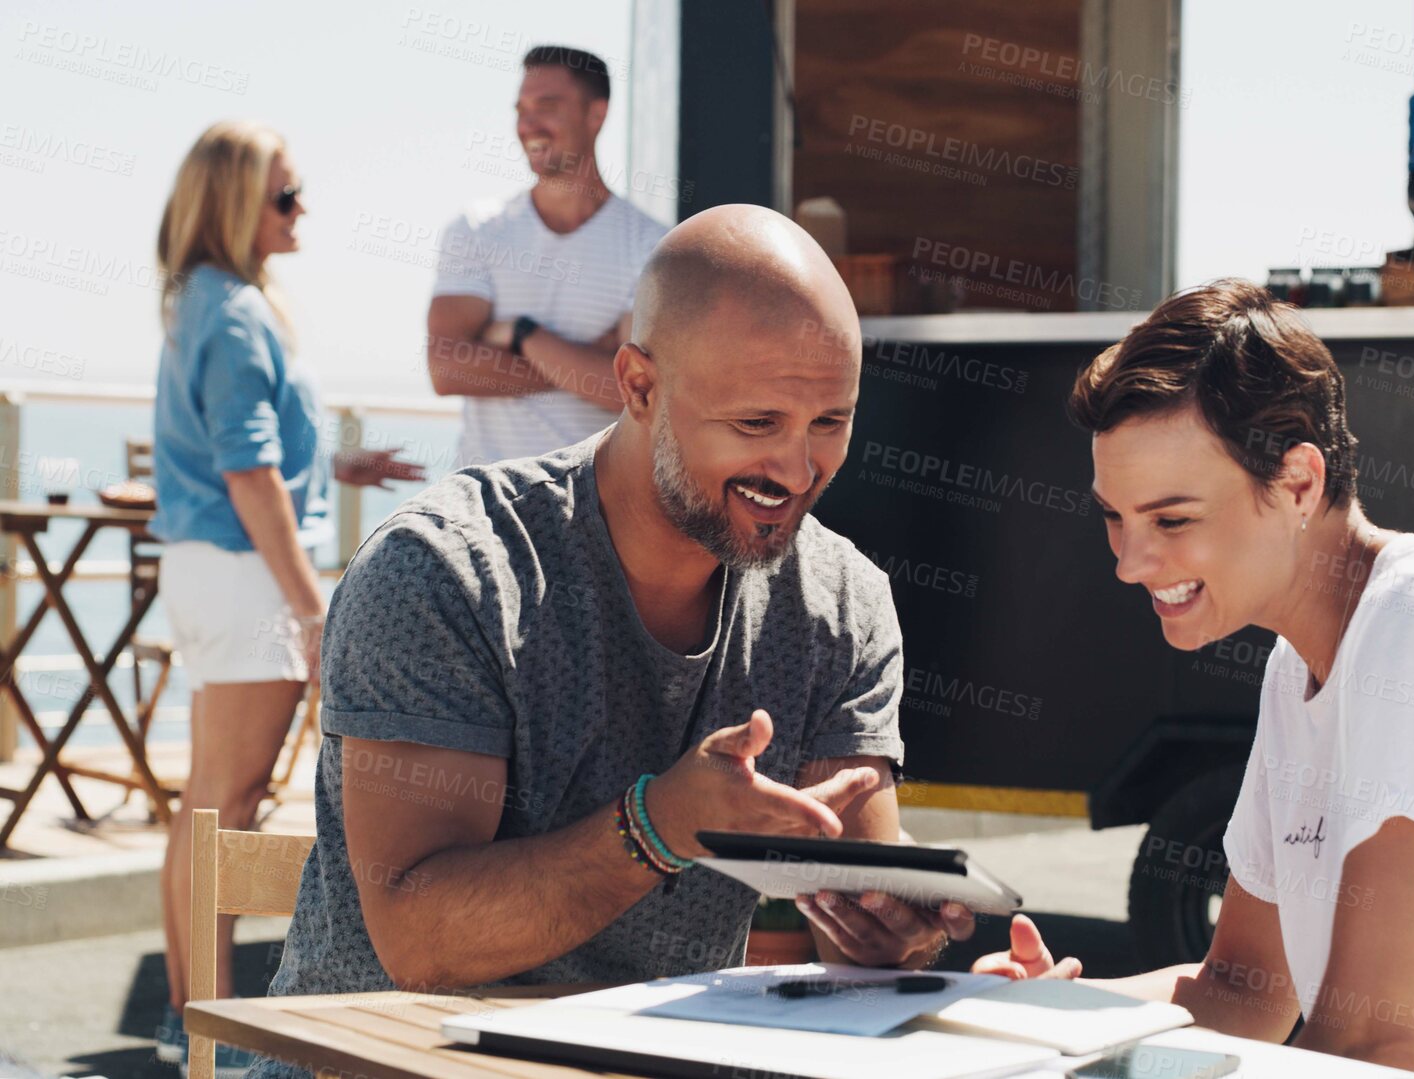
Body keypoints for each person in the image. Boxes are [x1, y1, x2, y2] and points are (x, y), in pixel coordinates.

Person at [247, 204, 971, 1077]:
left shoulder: (841, 602)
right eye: (756, 423)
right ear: (638, 385)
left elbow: (861, 906)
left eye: (830, 422)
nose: (798, 469)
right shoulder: (445, 571)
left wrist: (895, 929)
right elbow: (419, 938)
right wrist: (658, 825)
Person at [973, 279, 1414, 1077]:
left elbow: (1372, 1046)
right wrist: (1055, 1012)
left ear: (1298, 484)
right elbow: (1242, 991)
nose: (1128, 562)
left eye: (1172, 519)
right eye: (1115, 516)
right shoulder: (1298, 668)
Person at [148, 120, 424, 1068]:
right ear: (235, 204)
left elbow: (256, 454)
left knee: (208, 803)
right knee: (229, 806)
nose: (301, 210)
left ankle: (194, 1018)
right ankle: (210, 1033)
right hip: (245, 577)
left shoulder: (206, 302)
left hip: (211, 572)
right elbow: (249, 474)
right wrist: (314, 608)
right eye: (285, 196)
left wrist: (339, 463)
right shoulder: (232, 313)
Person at [427, 44, 668, 467]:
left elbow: (630, 391)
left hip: (597, 507)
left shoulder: (652, 245)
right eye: (521, 109)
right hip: (486, 507)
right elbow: (446, 369)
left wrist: (523, 336)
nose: (528, 124)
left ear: (596, 114)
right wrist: (586, 363)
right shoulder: (477, 229)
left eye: (547, 105)